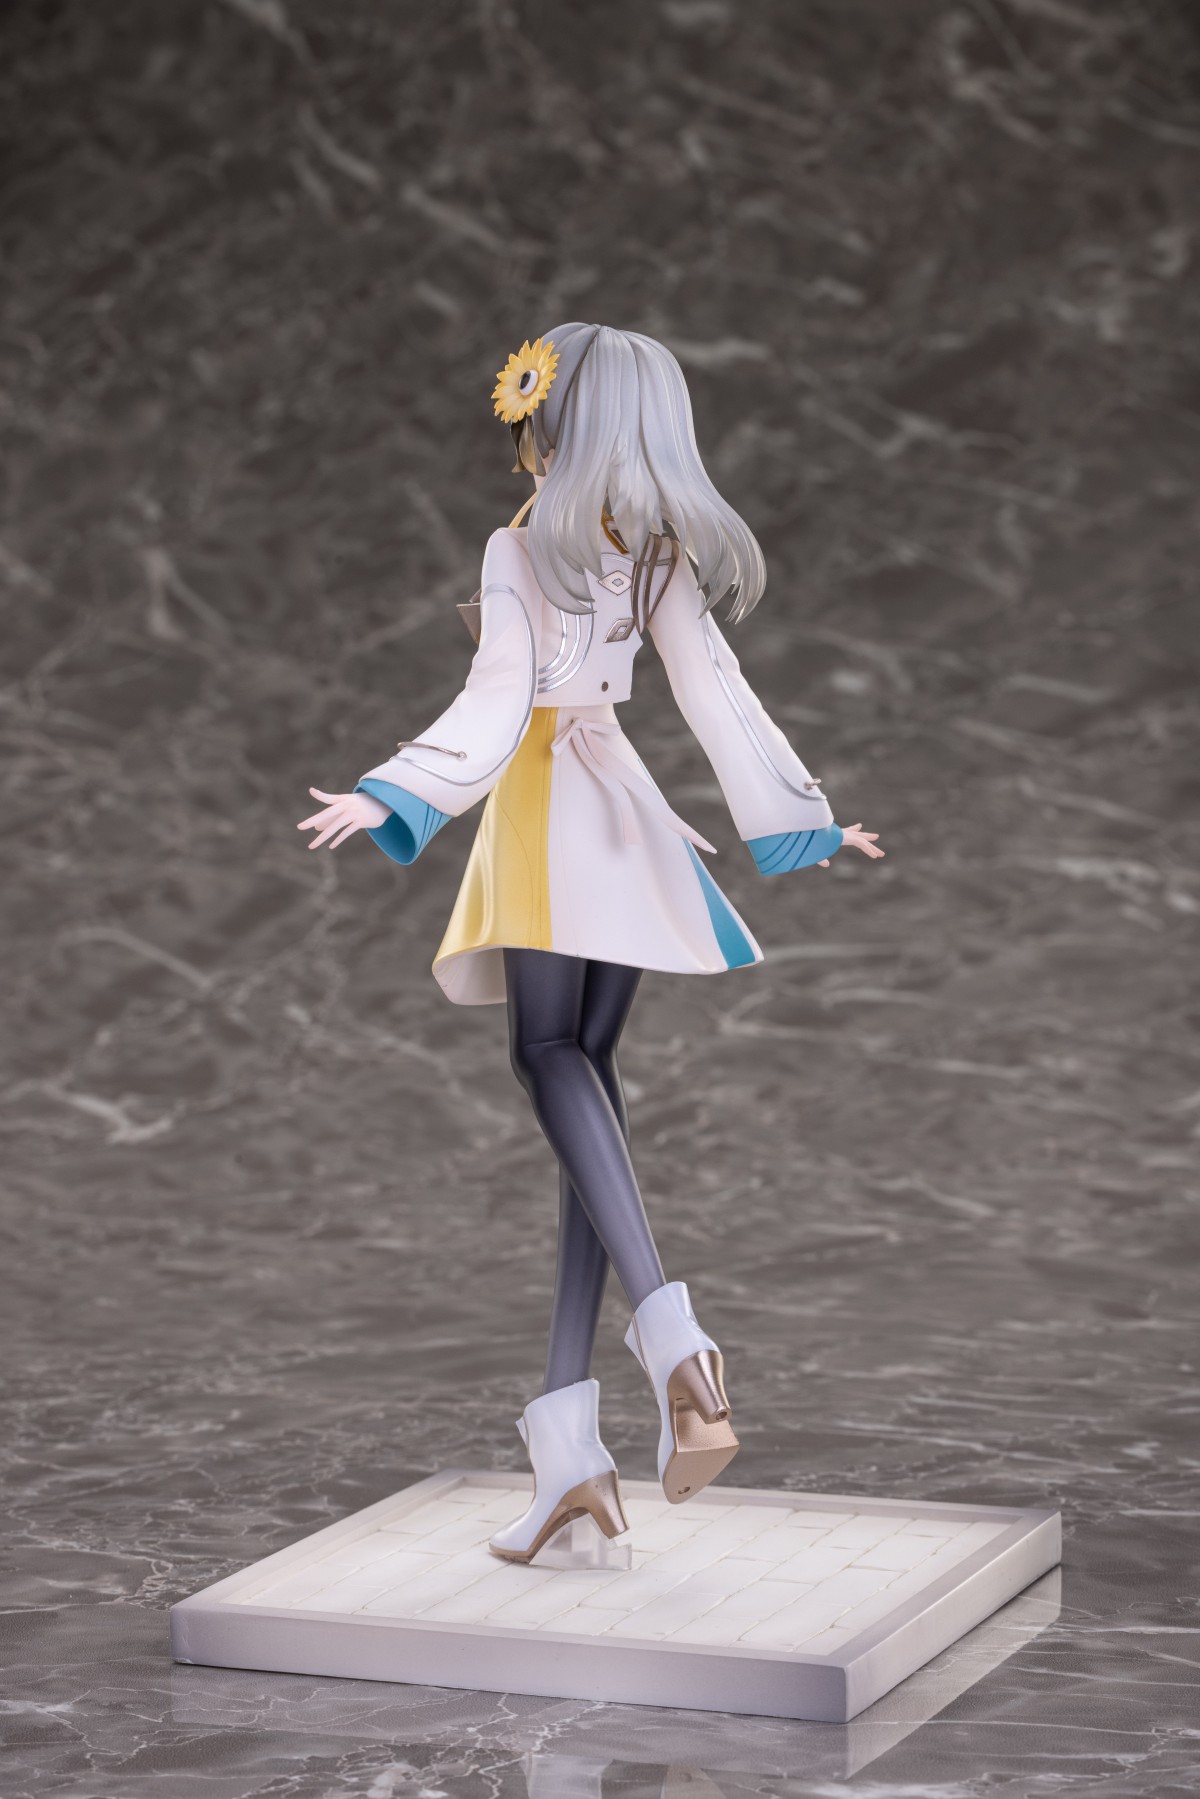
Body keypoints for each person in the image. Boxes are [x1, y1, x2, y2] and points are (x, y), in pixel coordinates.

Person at [298, 324, 884, 1565]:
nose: (525, 432)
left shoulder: (520, 548)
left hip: (548, 813)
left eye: (534, 412)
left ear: (556, 425)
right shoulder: (657, 552)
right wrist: (800, 815)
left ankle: (675, 1340)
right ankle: (571, 1456)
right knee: (589, 1099)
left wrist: (394, 788)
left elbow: (497, 697)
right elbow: (716, 687)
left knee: (547, 1055)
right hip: (626, 813)